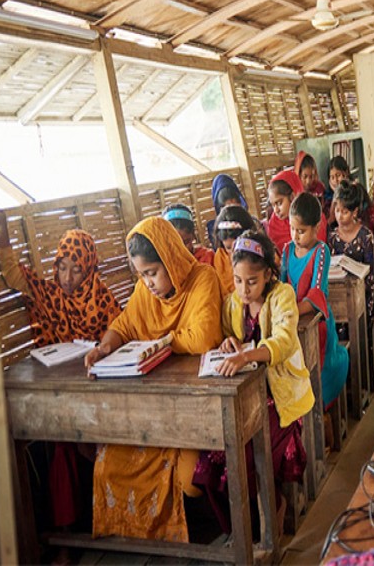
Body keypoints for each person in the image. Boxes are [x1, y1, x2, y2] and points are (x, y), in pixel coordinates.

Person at [0, 204, 121, 542]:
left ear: (89, 268)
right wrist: (1, 228)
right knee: (62, 449)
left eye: (76, 270)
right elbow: (14, 274)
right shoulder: (49, 295)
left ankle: (110, 524)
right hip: (60, 392)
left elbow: (123, 335)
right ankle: (65, 536)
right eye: (62, 267)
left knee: (98, 446)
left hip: (99, 394)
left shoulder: (103, 300)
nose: (67, 278)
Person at [84, 216, 222, 542]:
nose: (147, 282)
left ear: (171, 261)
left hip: (195, 405)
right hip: (151, 406)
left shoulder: (203, 279)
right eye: (141, 274)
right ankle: (136, 540)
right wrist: (105, 346)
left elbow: (203, 337)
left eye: (152, 272)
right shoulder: (145, 294)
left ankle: (197, 536)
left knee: (188, 478)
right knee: (109, 461)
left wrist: (161, 344)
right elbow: (126, 324)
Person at [194, 231, 314, 535]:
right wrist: (228, 342)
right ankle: (241, 528)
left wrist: (246, 358)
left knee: (243, 453)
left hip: (280, 397)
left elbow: (284, 341)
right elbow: (227, 332)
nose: (243, 290)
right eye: (237, 280)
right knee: (213, 456)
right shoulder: (234, 303)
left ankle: (270, 513)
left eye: (251, 281)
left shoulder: (282, 295)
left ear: (268, 275)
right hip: (247, 397)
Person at [280, 192, 349, 409]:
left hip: (316, 322)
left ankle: (319, 414)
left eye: (301, 231)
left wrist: (290, 311)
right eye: (292, 229)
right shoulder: (287, 250)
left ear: (316, 227)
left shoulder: (321, 251)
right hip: (291, 322)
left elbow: (317, 292)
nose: (295, 235)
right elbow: (281, 287)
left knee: (317, 374)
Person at [328, 180, 374, 322]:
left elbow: (370, 275)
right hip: (339, 296)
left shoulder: (365, 236)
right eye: (337, 211)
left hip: (362, 294)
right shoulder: (331, 238)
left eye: (345, 212)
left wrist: (368, 303)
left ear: (355, 211)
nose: (340, 216)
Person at [265, 169, 327, 257]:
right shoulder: (274, 225)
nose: (276, 210)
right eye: (273, 205)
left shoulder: (313, 215)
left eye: (279, 203)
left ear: (293, 197)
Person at [212, 205, 258, 296]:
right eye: (228, 248)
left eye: (238, 246)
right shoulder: (220, 258)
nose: (234, 253)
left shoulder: (260, 253)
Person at [206, 173, 248, 247]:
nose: (232, 214)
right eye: (227, 209)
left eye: (235, 208)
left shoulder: (250, 224)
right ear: (219, 209)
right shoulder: (215, 230)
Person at [324, 155, 351, 227]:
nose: (335, 180)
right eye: (332, 177)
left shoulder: (353, 192)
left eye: (338, 175)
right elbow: (330, 221)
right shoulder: (327, 197)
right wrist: (336, 193)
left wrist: (337, 192)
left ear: (346, 173)